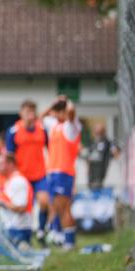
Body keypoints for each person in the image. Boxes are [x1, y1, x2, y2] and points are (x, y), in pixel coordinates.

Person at [5, 99, 49, 247]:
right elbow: (10, 155)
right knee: (23, 208)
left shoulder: (42, 129)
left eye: (32, 111)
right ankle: (23, 236)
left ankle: (41, 231)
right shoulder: (14, 131)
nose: (30, 114)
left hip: (39, 174)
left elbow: (50, 148)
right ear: (21, 113)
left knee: (44, 201)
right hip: (22, 176)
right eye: (27, 111)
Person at [42, 96, 82, 250]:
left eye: (61, 111)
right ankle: (61, 236)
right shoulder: (55, 126)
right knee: (55, 207)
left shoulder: (71, 126)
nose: (57, 114)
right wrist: (54, 103)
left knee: (64, 207)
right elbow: (42, 117)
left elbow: (71, 111)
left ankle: (69, 242)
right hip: (53, 172)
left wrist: (68, 100)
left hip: (63, 172)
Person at [0, 154, 34, 249]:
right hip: (12, 228)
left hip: (18, 229)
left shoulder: (18, 181)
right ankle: (20, 244)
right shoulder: (9, 181)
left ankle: (21, 243)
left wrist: (1, 203)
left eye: (1, 164)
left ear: (11, 164)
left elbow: (21, 208)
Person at [85, 123, 120, 191]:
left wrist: (115, 152)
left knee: (99, 189)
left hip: (102, 173)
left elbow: (115, 151)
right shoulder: (92, 143)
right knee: (92, 189)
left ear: (103, 132)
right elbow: (88, 157)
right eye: (96, 131)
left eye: (100, 132)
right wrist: (88, 168)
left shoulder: (107, 142)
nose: (98, 133)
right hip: (92, 174)